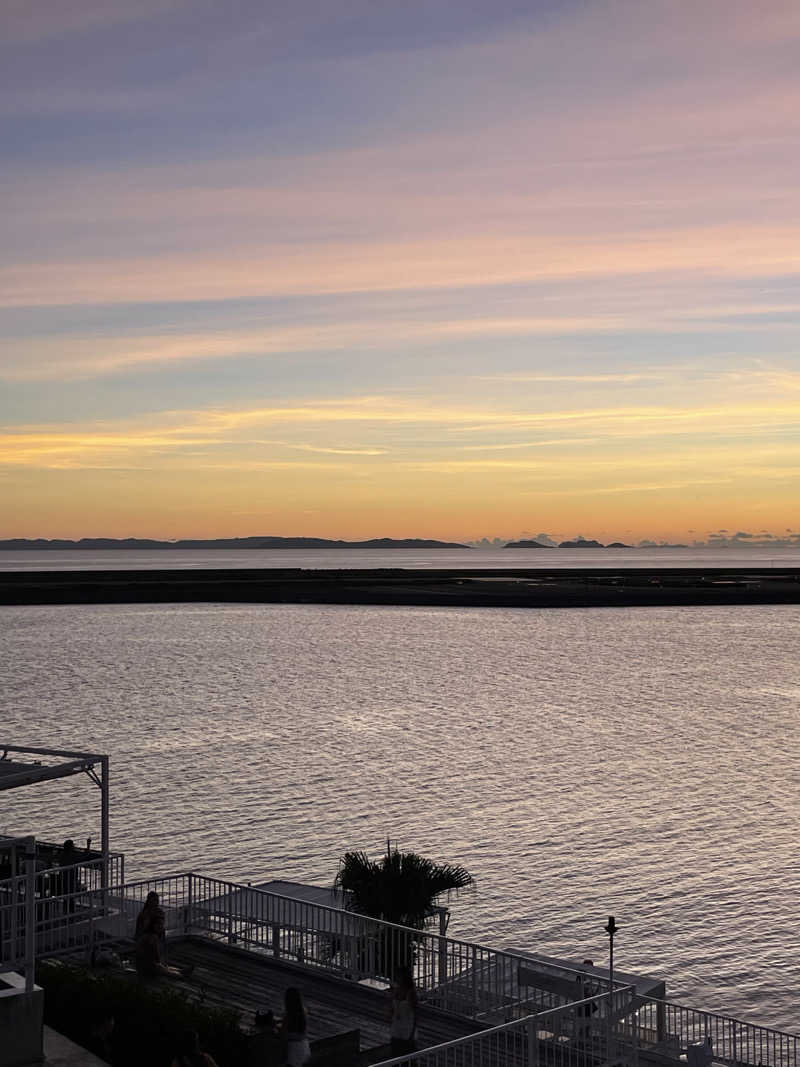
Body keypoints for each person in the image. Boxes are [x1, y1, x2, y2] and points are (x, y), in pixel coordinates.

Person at [135, 913, 191, 980]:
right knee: (165, 970)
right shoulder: (152, 937)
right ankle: (181, 975)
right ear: (153, 925)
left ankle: (181, 971)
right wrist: (160, 963)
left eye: (161, 924)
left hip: (141, 964)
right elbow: (156, 955)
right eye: (158, 924)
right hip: (145, 966)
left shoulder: (148, 934)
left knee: (164, 967)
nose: (161, 926)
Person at [389, 966, 418, 1054]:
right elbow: (392, 1007)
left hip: (407, 1027)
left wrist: (412, 1033)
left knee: (407, 1053)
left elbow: (415, 1014)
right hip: (396, 1026)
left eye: (399, 976)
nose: (397, 978)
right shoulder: (396, 990)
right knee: (395, 1051)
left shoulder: (411, 993)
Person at [280, 987, 311, 1066]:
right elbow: (304, 1032)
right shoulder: (303, 1012)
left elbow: (284, 1035)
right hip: (303, 1046)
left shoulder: (288, 1015)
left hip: (292, 1049)